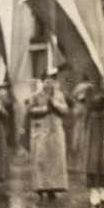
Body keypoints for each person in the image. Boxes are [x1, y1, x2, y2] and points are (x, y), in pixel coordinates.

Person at [28, 71, 69, 200]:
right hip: (41, 130)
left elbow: (65, 110)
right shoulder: (36, 96)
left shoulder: (59, 95)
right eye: (46, 81)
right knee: (41, 159)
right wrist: (44, 109)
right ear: (43, 82)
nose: (49, 84)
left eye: (52, 81)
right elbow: (30, 111)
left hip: (56, 131)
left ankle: (53, 188)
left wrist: (55, 105)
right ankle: (41, 187)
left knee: (56, 159)